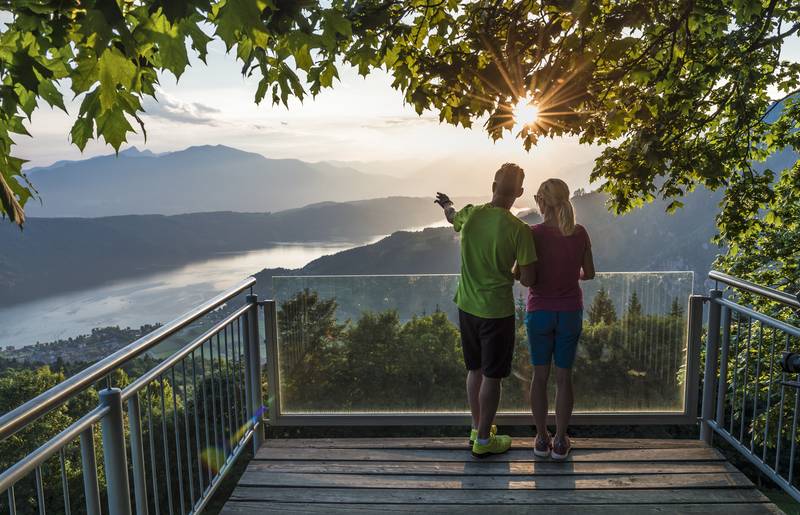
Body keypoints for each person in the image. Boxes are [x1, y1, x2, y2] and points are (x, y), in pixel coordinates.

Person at [435, 163, 537, 458]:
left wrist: (447, 203)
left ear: (493, 186)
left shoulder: (471, 214)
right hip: (497, 312)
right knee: (492, 376)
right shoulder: (520, 231)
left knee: (474, 370)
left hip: (466, 306)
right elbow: (528, 279)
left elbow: (452, 216)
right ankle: (483, 440)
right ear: (519, 193)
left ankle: (476, 428)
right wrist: (513, 269)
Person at [524, 178, 595, 460]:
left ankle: (542, 439)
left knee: (539, 377)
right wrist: (570, 276)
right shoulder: (579, 233)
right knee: (564, 378)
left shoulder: (533, 234)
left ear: (541, 201)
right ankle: (562, 441)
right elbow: (588, 273)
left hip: (539, 312)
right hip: (569, 313)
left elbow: (522, 273)